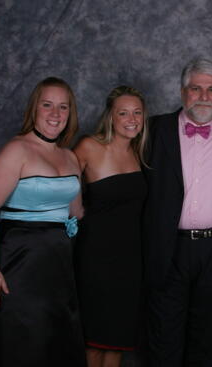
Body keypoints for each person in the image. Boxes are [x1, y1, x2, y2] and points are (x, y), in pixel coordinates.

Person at [0, 77, 86, 366]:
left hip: (57, 268)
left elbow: (75, 212)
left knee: (53, 344)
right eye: (47, 105)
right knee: (21, 342)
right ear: (34, 108)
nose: (55, 114)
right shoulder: (16, 150)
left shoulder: (70, 156)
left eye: (63, 107)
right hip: (19, 264)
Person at [143, 58, 212, 366]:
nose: (204, 96)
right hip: (168, 247)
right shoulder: (154, 129)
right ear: (181, 92)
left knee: (208, 337)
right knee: (165, 336)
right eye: (196, 88)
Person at [73, 86, 149, 367]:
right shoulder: (89, 147)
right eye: (123, 112)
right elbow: (60, 185)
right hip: (95, 258)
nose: (131, 119)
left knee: (117, 340)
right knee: (93, 341)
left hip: (131, 261)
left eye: (137, 112)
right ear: (111, 117)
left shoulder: (140, 153)